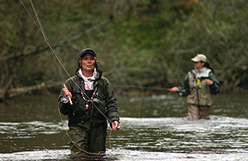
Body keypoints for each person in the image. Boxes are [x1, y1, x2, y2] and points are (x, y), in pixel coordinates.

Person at [58, 48, 120, 155]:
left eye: (92, 59)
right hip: (77, 126)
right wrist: (67, 100)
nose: (89, 61)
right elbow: (64, 110)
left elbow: (111, 103)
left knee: (98, 156)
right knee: (79, 155)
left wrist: (114, 120)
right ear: (80, 62)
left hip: (99, 127)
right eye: (85, 59)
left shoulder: (104, 83)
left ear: (95, 62)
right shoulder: (70, 83)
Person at [169, 54, 220, 119]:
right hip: (193, 105)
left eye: (196, 62)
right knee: (194, 121)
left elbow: (217, 90)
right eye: (194, 62)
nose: (194, 64)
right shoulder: (190, 74)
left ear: (203, 63)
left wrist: (212, 84)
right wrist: (178, 89)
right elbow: (186, 89)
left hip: (206, 105)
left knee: (204, 122)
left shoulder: (209, 74)